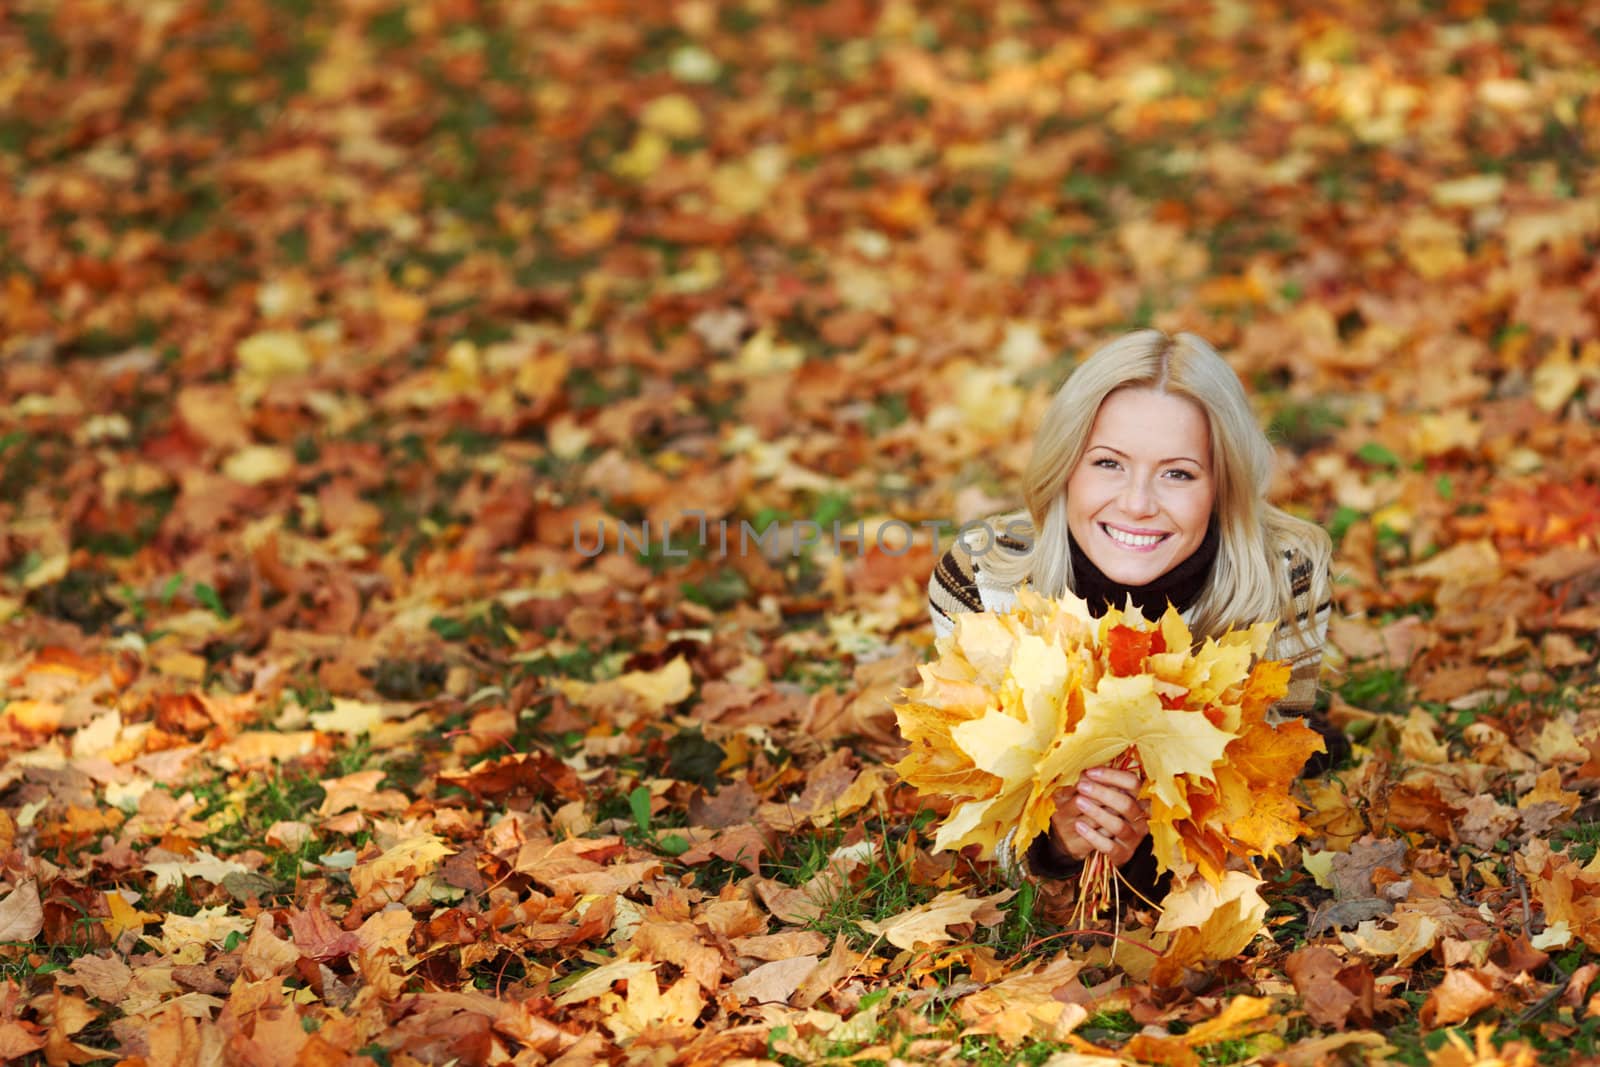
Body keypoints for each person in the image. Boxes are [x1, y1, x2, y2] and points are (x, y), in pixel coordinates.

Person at [925, 329, 1346, 890]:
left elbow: (1258, 797)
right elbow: (985, 812)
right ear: (1066, 464)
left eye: (1178, 473)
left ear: (1222, 485)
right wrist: (1057, 844)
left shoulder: (1282, 576)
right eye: (1108, 463)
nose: (1138, 504)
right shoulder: (983, 579)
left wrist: (1148, 842)